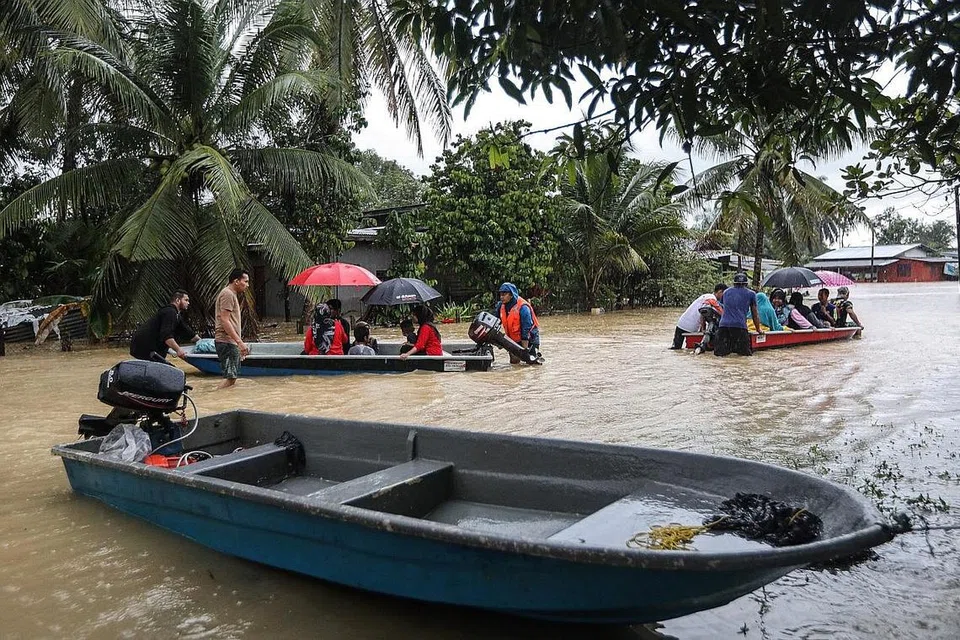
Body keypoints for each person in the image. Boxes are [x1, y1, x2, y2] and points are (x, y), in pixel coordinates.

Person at [130, 290, 200, 361]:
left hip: (146, 347)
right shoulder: (170, 312)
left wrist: (203, 341)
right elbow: (167, 336)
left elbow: (187, 332)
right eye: (186, 300)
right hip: (144, 348)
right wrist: (178, 350)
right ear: (177, 300)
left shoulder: (176, 315)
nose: (188, 303)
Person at [214, 268, 250, 388]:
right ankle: (216, 398)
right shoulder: (228, 294)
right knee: (230, 378)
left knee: (231, 377)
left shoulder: (230, 294)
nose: (247, 285)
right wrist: (239, 342)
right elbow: (225, 320)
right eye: (245, 281)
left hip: (229, 342)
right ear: (236, 281)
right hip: (226, 341)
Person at [714, 272, 763, 357]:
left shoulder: (726, 292)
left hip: (723, 326)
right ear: (746, 284)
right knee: (744, 356)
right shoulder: (751, 294)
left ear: (734, 283)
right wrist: (758, 329)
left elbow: (723, 307)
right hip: (739, 327)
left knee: (720, 355)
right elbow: (754, 314)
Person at [494, 282, 541, 363]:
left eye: (504, 294)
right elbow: (495, 321)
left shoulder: (523, 308)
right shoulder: (501, 306)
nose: (501, 297)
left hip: (530, 338)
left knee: (532, 362)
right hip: (513, 338)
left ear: (511, 295)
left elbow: (526, 329)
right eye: (500, 294)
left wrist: (524, 349)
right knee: (514, 362)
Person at [671, 283, 726, 349]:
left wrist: (702, 328)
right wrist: (724, 315)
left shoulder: (705, 296)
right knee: (691, 350)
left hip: (681, 323)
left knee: (676, 348)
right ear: (720, 292)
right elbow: (711, 308)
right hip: (691, 326)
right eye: (724, 294)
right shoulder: (711, 298)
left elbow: (702, 313)